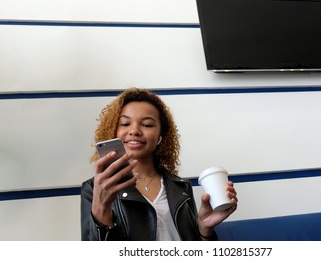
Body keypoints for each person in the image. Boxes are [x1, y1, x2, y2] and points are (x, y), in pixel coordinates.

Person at [81, 87, 238, 241]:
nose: (134, 130)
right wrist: (101, 209)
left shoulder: (180, 186)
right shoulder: (95, 189)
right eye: (125, 124)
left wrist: (204, 229)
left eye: (147, 125)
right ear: (114, 131)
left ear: (160, 137)